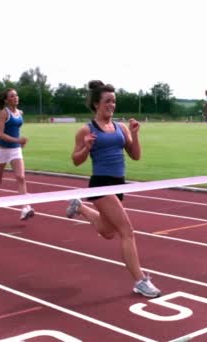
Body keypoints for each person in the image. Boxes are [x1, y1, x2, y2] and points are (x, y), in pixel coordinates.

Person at [66, 80, 161, 298]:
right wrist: (87, 147)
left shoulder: (121, 128)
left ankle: (80, 208)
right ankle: (140, 280)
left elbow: (135, 156)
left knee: (108, 232)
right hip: (101, 184)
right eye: (108, 101)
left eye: (114, 101)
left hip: (119, 183)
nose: (112, 105)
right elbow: (76, 160)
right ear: (96, 104)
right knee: (127, 231)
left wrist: (135, 135)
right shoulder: (86, 130)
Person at [0, 88, 34, 221]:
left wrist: (20, 143)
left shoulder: (20, 112)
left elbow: (15, 130)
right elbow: (0, 134)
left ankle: (25, 208)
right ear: (7, 100)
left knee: (20, 177)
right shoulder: (4, 113)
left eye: (16, 95)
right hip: (2, 150)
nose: (16, 98)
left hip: (15, 150)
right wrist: (18, 140)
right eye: (12, 96)